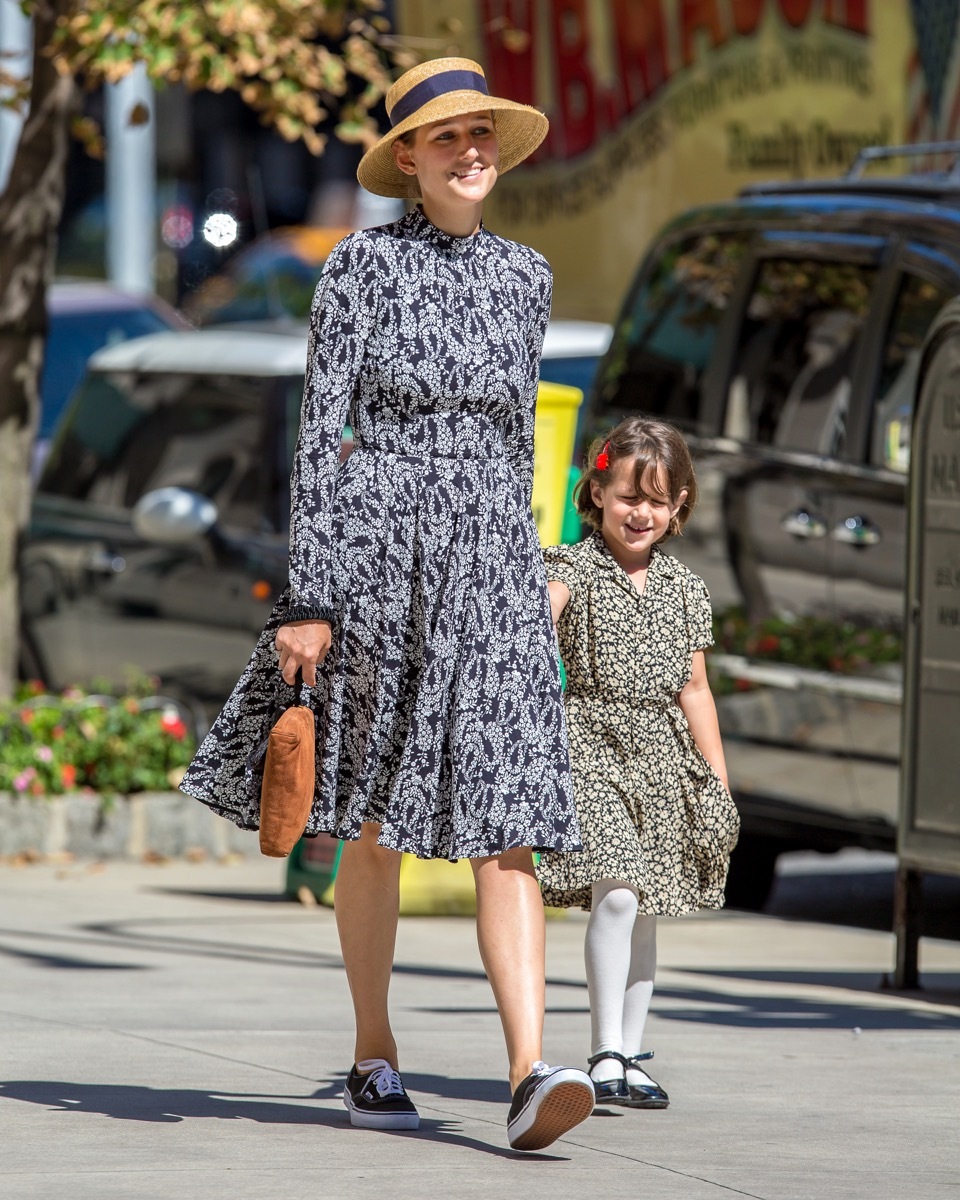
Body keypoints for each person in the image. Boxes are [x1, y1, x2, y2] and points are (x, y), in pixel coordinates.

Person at [179, 57, 595, 1153]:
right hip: (374, 566)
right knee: (372, 820)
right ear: (406, 159)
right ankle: (374, 1048)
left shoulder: (526, 276)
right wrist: (308, 596)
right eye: (447, 138)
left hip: (490, 574)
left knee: (508, 826)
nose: (471, 152)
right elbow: (322, 436)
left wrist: (537, 570)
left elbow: (514, 441)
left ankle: (528, 1071)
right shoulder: (360, 267)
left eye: (483, 135)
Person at [536, 416, 740, 1109]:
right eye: (627, 496)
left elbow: (695, 690)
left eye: (657, 500)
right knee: (618, 891)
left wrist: (716, 781)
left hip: (660, 752)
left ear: (679, 506)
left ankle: (629, 1049)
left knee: (644, 905)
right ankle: (604, 1053)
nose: (641, 512)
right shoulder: (571, 566)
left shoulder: (686, 588)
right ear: (595, 492)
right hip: (587, 739)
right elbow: (537, 616)